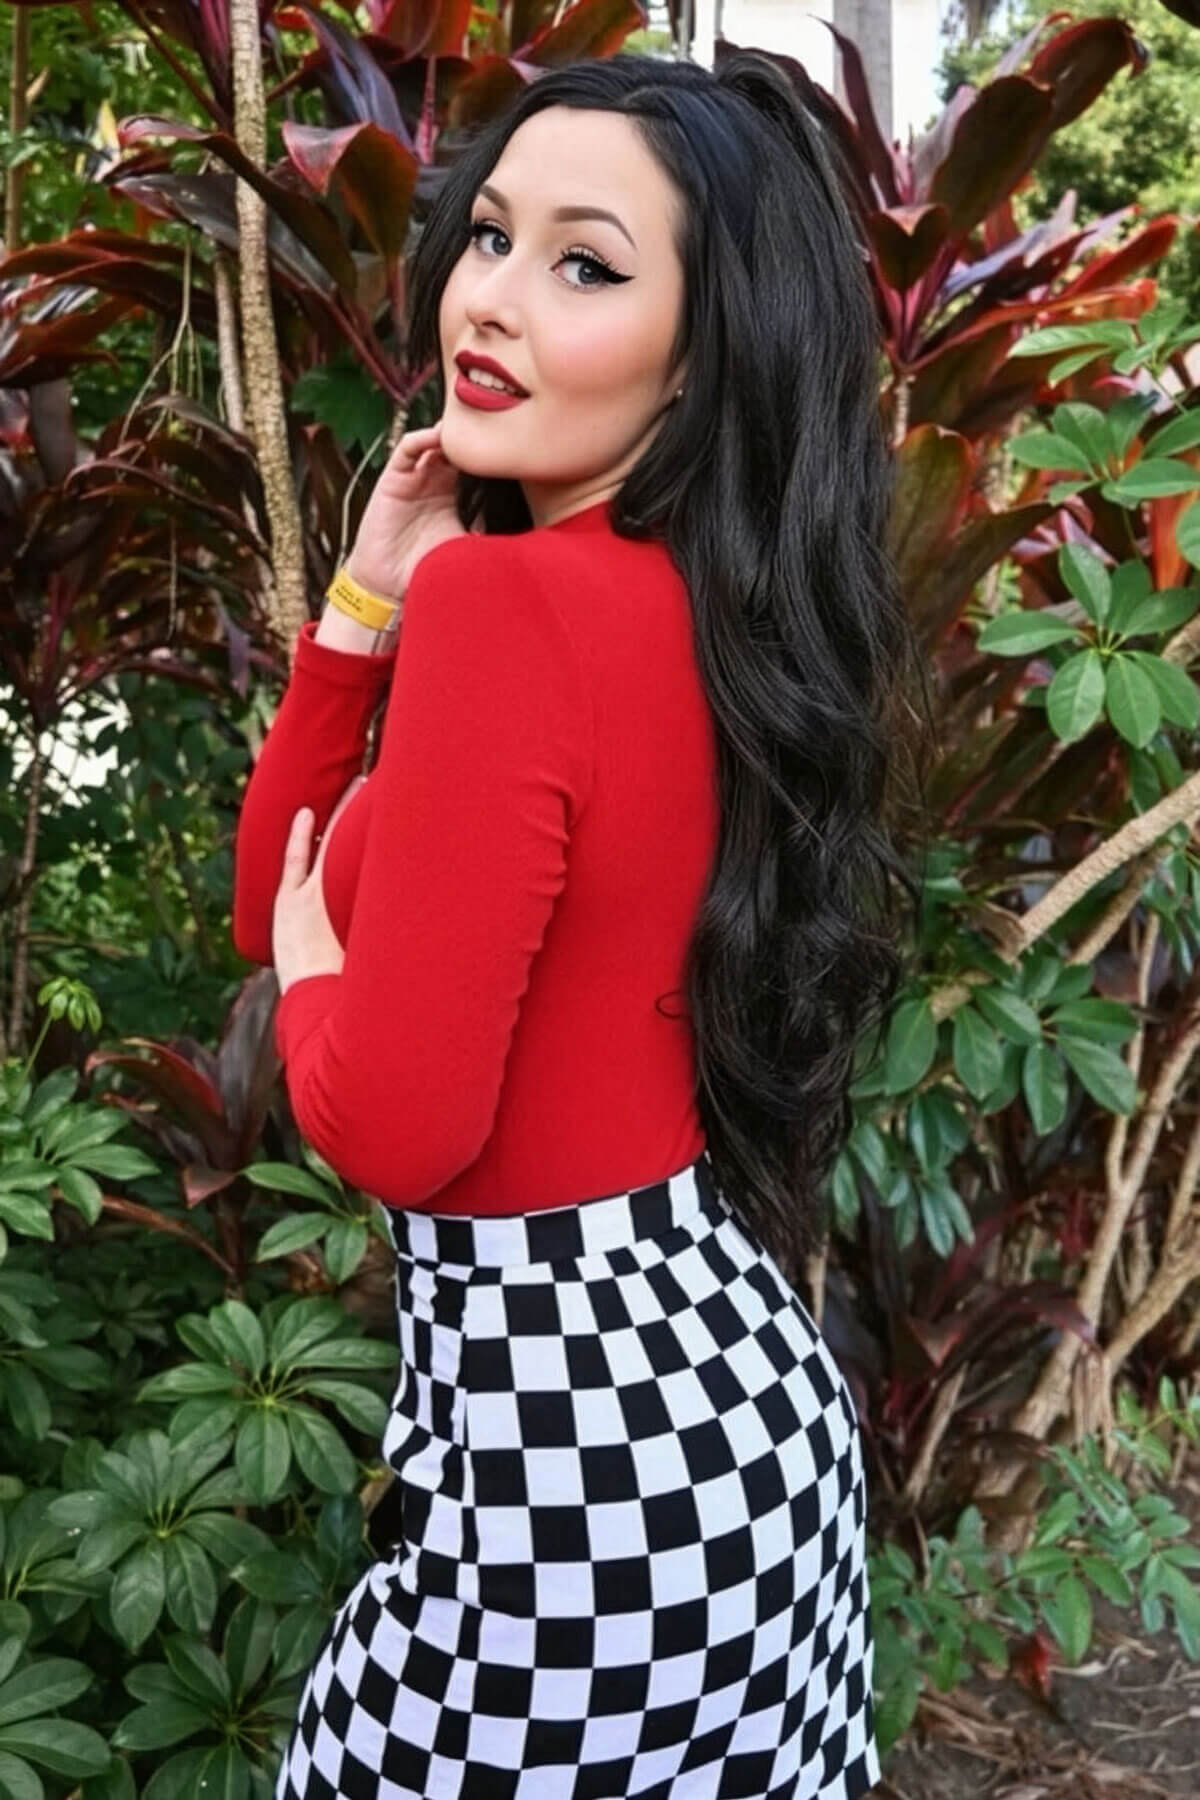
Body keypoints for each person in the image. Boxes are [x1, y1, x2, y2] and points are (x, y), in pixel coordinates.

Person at [234, 45, 928, 1800]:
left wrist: (316, 981)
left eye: (585, 265)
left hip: (572, 1464)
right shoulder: (711, 613)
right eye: (488, 237)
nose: (491, 298)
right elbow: (279, 890)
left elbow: (390, 1113)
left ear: (703, 354)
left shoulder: (515, 611)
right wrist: (372, 585)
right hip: (729, 1416)